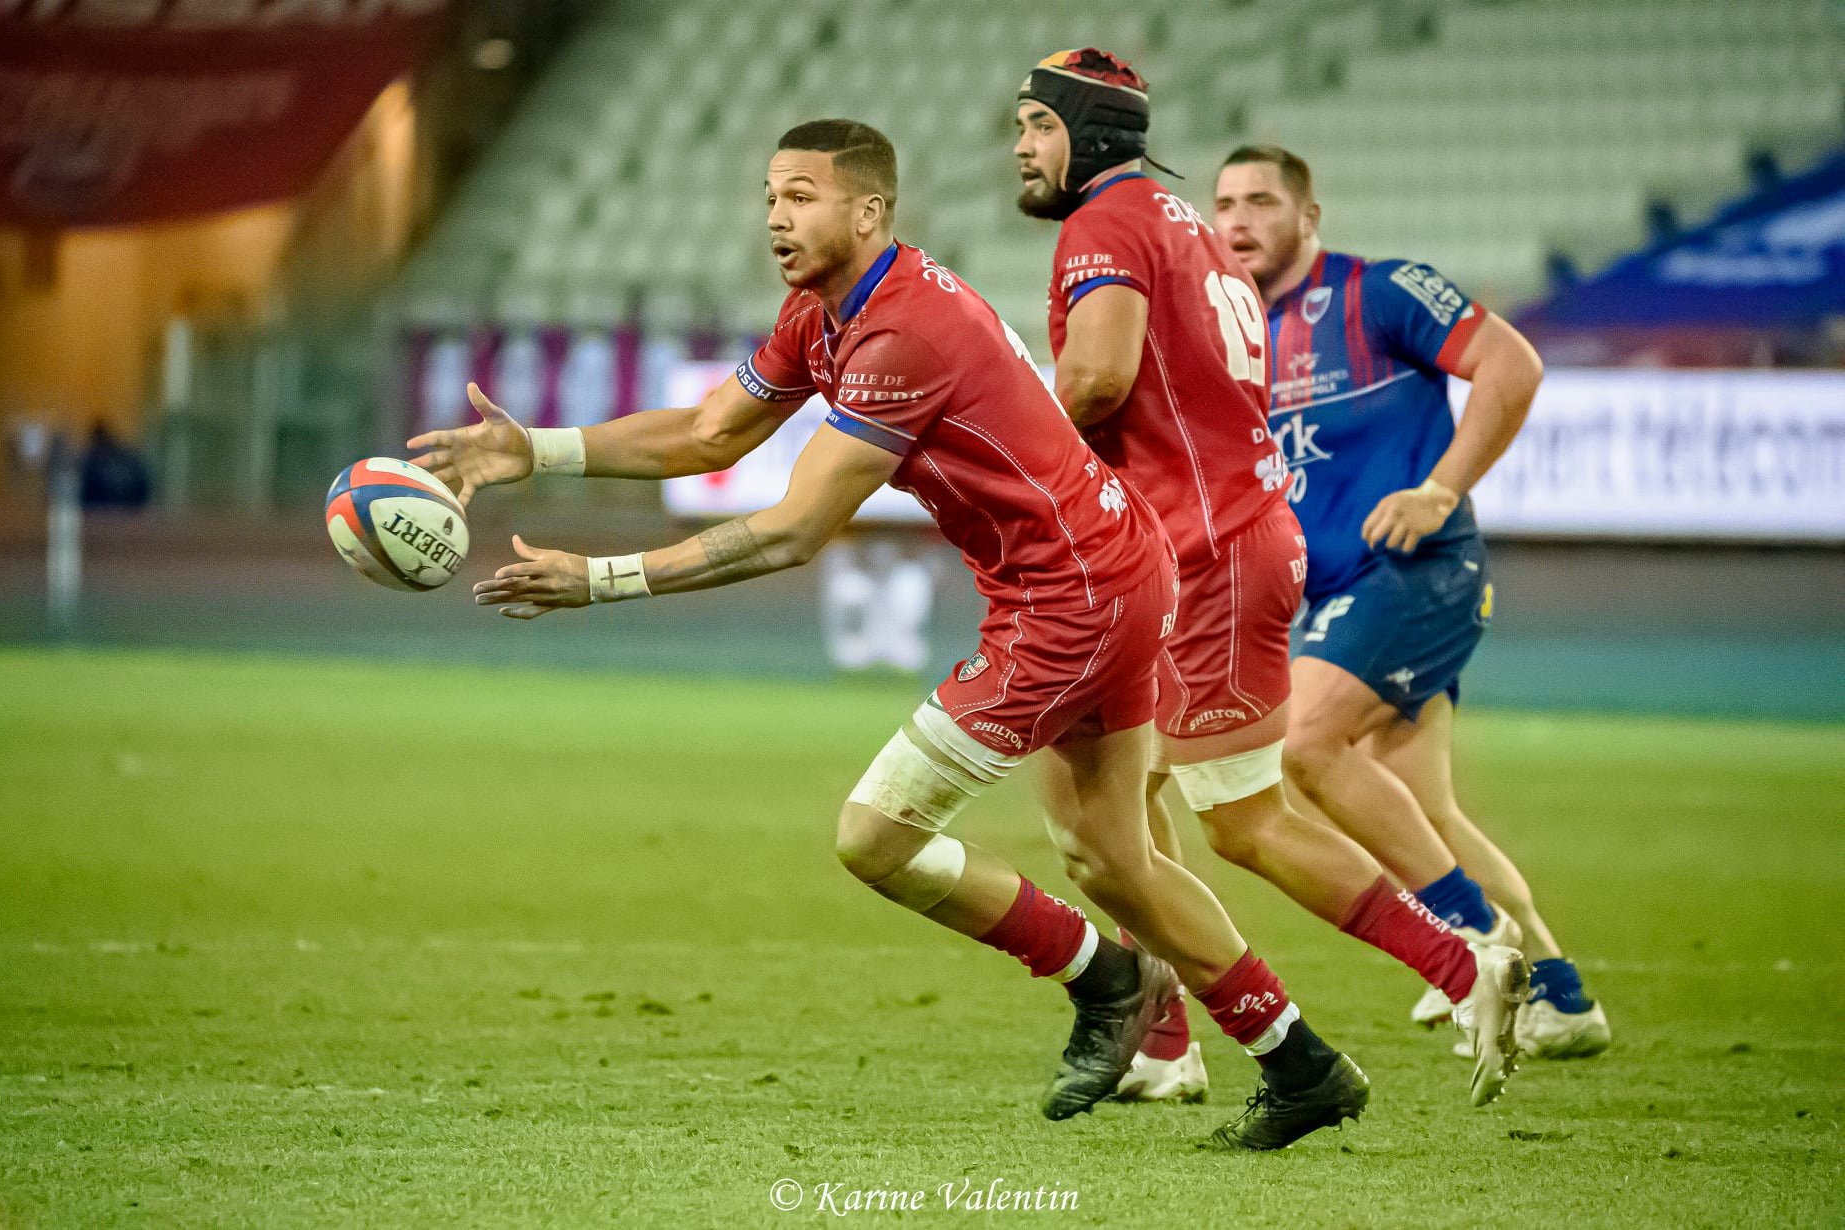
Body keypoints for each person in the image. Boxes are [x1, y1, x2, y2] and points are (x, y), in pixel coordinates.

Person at [408, 119, 1368, 1149]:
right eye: (772, 193)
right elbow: (707, 434)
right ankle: (1302, 1064)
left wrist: (595, 581)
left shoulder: (904, 331)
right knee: (1114, 856)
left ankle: (1105, 977)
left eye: (804, 194)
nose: (778, 214)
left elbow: (790, 531)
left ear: (869, 211)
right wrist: (535, 450)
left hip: (1072, 601)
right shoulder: (822, 315)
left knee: (875, 837)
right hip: (1110, 572)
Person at [1012, 48, 1531, 1111]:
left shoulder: (1104, 227)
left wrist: (1007, 441)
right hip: (1227, 538)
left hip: (1194, 556)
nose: (1020, 146)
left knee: (1152, 813)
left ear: (1087, 133)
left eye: (1034, 124)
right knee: (1148, 810)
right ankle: (1180, 1039)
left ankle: (1447, 964)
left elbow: (1102, 378)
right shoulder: (1187, 231)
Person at [1211, 143, 1609, 1059]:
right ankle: (1561, 999)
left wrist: (1438, 487)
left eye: (1262, 201)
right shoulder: (1230, 336)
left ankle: (1472, 942)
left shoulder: (1379, 291)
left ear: (1309, 216)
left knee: (1307, 747)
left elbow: (1512, 366)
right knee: (1426, 821)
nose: (1238, 220)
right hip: (1338, 597)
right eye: (1225, 203)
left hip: (1418, 572)